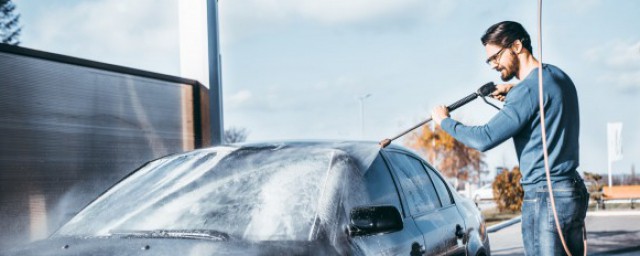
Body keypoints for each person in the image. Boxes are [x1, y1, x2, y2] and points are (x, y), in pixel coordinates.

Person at [430, 21, 588, 255]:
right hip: (571, 190)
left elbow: (484, 138)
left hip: (545, 196)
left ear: (516, 46)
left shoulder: (528, 92)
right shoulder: (557, 77)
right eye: (489, 61)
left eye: (496, 57)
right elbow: (543, 99)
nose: (493, 65)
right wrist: (514, 89)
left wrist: (445, 121)